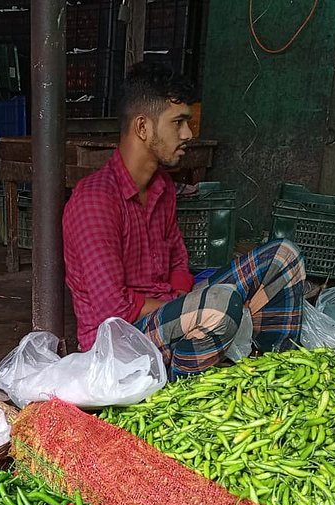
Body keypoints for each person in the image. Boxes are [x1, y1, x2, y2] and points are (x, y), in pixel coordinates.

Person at [63, 62, 308, 377]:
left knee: (284, 257)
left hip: (165, 312)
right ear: (142, 127)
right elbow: (113, 310)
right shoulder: (95, 201)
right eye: (178, 122)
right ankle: (179, 386)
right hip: (119, 344)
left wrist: (183, 299)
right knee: (219, 306)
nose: (188, 134)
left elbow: (178, 258)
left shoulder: (161, 187)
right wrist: (189, 307)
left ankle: (276, 371)